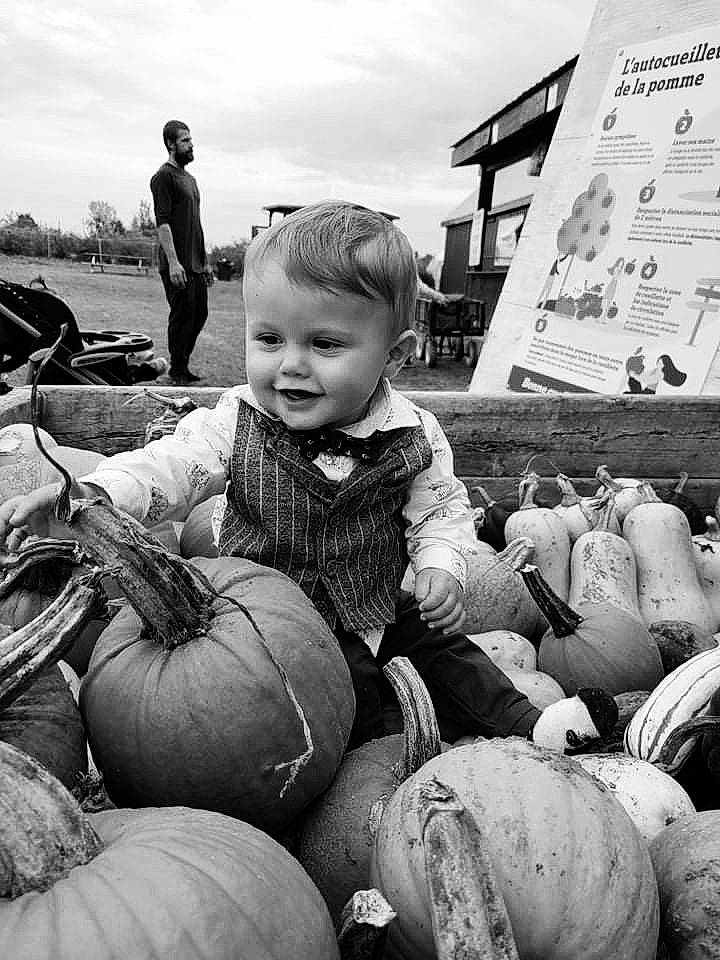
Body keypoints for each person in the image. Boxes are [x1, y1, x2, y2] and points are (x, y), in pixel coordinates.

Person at [0, 201, 614, 752]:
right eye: (269, 339)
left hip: (373, 604)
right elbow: (173, 466)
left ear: (394, 356)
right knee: (348, 698)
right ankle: (386, 759)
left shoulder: (414, 434)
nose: (290, 365)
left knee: (446, 649)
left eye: (324, 345)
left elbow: (441, 510)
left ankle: (530, 726)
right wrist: (93, 495)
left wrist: (441, 566)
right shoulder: (239, 420)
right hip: (265, 624)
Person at [150, 120, 214, 385]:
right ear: (170, 144)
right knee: (182, 316)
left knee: (199, 314)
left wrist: (205, 261)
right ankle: (177, 371)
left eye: (191, 139)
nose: (191, 145)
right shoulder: (163, 177)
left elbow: (195, 224)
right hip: (177, 264)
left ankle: (182, 366)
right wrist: (174, 262)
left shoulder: (190, 180)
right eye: (185, 140)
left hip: (195, 263)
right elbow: (163, 223)